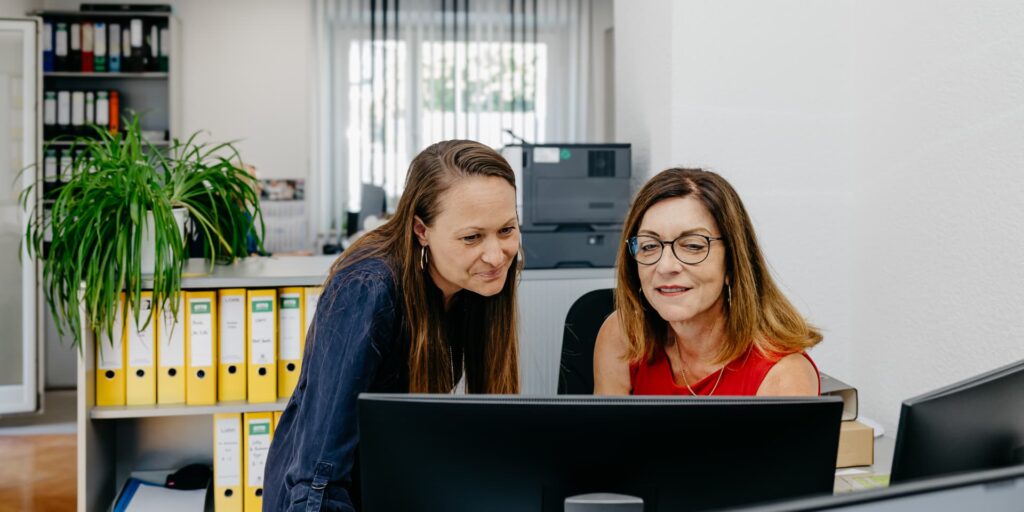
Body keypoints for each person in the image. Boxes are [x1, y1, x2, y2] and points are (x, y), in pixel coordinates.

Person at [264, 140, 522, 511]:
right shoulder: (367, 290)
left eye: (507, 229)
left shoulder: (479, 276)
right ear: (421, 230)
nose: (497, 254)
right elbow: (319, 475)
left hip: (391, 485)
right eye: (471, 237)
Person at [594, 167, 822, 396]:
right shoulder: (623, 336)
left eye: (693, 246)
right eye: (649, 246)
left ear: (732, 263)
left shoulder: (784, 376)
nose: (665, 267)